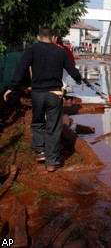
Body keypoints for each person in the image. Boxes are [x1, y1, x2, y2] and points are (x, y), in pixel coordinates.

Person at [3, 27, 82, 172]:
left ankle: (40, 152)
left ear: (38, 36)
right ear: (53, 37)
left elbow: (21, 69)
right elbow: (72, 71)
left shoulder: (32, 49)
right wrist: (79, 79)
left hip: (38, 94)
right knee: (53, 126)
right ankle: (51, 161)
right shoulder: (60, 51)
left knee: (38, 122)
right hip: (55, 94)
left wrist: (12, 87)